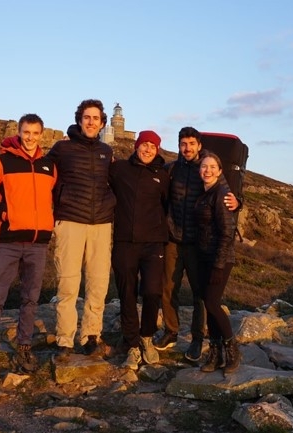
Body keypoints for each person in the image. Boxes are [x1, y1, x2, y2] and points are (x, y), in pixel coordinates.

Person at [0, 113, 57, 380]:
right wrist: (5, 215)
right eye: (26, 132)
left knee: (30, 299)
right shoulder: (2, 160)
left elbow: (55, 198)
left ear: (42, 135)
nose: (30, 137)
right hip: (8, 242)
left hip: (38, 244)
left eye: (35, 133)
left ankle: (23, 348)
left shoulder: (49, 166)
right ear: (19, 132)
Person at [155, 127, 239, 362]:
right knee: (168, 288)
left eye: (192, 143)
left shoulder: (208, 167)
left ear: (199, 145)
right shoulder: (172, 168)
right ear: (179, 145)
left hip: (197, 243)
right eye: (183, 144)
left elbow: (226, 196)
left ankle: (197, 339)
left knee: (199, 295)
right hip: (173, 239)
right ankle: (171, 331)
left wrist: (238, 201)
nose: (187, 148)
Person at [46, 99, 116, 361]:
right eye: (86, 117)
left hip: (101, 224)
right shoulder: (61, 148)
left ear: (102, 122)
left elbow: (118, 181)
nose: (91, 122)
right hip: (70, 221)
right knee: (68, 283)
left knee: (98, 284)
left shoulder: (106, 151)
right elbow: (40, 175)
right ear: (79, 119)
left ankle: (90, 336)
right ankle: (65, 340)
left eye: (96, 118)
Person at [108, 130, 170, 370]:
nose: (147, 149)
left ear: (157, 150)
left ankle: (146, 337)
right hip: (125, 242)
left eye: (152, 146)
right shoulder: (119, 169)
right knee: (127, 294)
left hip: (154, 243)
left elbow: (167, 205)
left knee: (153, 292)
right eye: (144, 145)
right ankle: (132, 344)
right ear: (136, 146)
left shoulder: (163, 176)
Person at [194, 152, 241, 374]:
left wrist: (218, 265)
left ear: (220, 171)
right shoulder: (203, 194)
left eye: (213, 167)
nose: (208, 170)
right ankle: (215, 354)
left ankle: (232, 349)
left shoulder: (221, 194)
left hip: (219, 259)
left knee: (212, 303)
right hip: (203, 257)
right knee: (208, 304)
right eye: (204, 166)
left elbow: (227, 233)